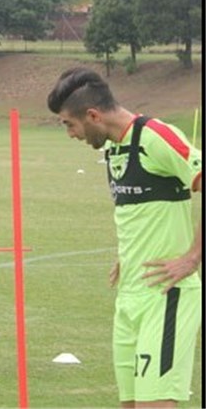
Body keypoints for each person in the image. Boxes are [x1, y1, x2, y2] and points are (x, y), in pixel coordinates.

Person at [47, 67, 202, 409]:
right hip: (130, 297)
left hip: (165, 297)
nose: (70, 134)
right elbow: (143, 208)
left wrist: (193, 256)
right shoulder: (114, 148)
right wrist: (128, 255)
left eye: (69, 124)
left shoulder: (156, 137)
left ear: (93, 115)